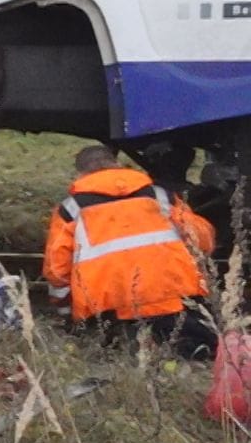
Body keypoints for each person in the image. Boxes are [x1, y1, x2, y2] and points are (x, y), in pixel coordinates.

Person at [43, 145, 217, 359]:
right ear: (117, 165)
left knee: (118, 360)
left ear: (81, 174)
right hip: (175, 300)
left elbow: (57, 270)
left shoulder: (71, 209)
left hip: (110, 310)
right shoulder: (159, 196)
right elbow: (202, 240)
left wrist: (66, 314)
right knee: (200, 356)